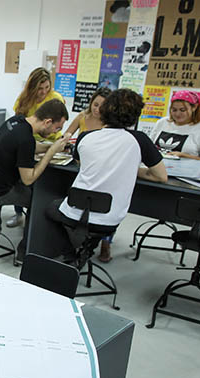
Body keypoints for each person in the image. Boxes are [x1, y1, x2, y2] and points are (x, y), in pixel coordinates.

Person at [46, 88, 168, 264]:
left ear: (105, 110)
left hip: (75, 209)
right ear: (135, 116)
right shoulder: (140, 140)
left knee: (51, 209)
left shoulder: (85, 137)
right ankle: (85, 252)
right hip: (109, 217)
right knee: (97, 222)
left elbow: (85, 164)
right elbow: (161, 176)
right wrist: (129, 169)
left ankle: (70, 252)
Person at [0, 99, 71, 263]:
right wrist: (50, 153)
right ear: (48, 122)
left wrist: (51, 146)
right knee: (40, 201)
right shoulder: (26, 138)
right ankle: (25, 251)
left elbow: (29, 146)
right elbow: (28, 179)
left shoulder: (15, 121)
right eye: (57, 128)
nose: (57, 131)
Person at [8, 67, 67, 228]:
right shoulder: (24, 100)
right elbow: (19, 123)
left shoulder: (55, 98)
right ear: (32, 87)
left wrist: (55, 144)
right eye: (40, 88)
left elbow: (59, 122)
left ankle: (35, 218)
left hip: (50, 140)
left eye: (47, 87)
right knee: (22, 175)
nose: (44, 92)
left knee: (44, 177)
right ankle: (19, 213)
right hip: (29, 142)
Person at [65, 87, 115, 262]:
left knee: (103, 205)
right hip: (79, 163)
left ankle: (106, 243)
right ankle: (76, 237)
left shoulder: (110, 125)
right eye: (95, 104)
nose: (97, 109)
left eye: (102, 106)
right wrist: (67, 138)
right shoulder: (82, 117)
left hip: (99, 168)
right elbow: (68, 133)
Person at [149, 90, 200, 162]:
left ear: (194, 107)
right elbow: (148, 147)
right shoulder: (163, 122)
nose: (177, 114)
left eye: (182, 110)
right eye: (174, 110)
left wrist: (185, 156)